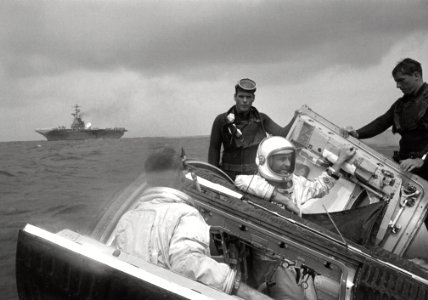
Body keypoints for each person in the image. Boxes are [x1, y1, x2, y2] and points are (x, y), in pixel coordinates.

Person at [113, 147, 272, 300]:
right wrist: (248, 292)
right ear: (180, 176)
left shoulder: (127, 218)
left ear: (148, 179)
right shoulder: (185, 214)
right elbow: (186, 263)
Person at [234, 136, 356, 300]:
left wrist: (340, 161)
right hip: (268, 261)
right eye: (280, 159)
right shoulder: (256, 182)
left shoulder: (296, 184)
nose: (286, 164)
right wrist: (283, 200)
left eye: (288, 159)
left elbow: (319, 187)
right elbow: (240, 180)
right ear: (264, 160)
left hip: (294, 258)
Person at [343, 58, 428, 251]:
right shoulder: (401, 105)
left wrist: (421, 160)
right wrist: (357, 133)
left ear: (416, 75)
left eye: (402, 80)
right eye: (396, 81)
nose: (398, 85)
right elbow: (381, 122)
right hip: (408, 171)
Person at [208, 78, 294, 180]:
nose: (244, 100)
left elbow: (282, 135)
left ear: (253, 98)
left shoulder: (262, 119)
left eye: (248, 97)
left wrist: (295, 118)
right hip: (229, 176)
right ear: (235, 97)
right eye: (241, 96)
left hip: (255, 178)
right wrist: (213, 175)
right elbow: (214, 148)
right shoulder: (221, 120)